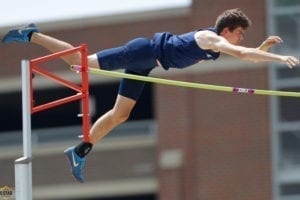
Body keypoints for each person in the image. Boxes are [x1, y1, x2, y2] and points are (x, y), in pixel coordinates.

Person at [2, 8, 299, 183]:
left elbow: (245, 55)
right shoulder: (211, 38)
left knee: (121, 114)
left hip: (147, 65)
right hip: (142, 51)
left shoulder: (217, 46)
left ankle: (80, 151)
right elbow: (241, 52)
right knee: (80, 63)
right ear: (228, 30)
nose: (241, 39)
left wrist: (263, 50)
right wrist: (278, 58)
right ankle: (33, 34)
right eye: (240, 34)